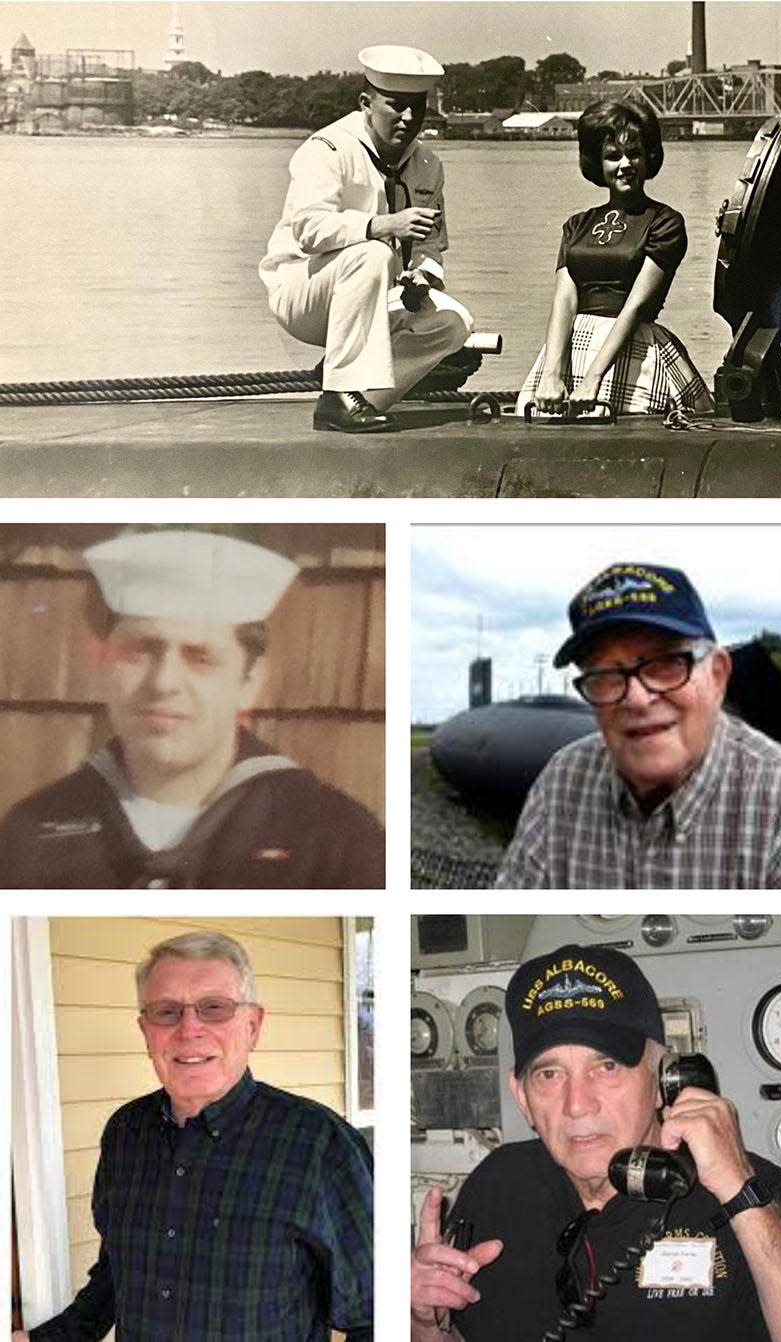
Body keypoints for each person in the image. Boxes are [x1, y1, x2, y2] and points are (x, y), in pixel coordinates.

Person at [410, 943, 781, 1342]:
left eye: (606, 1067)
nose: (577, 1105)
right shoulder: (497, 1184)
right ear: (522, 1097)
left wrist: (741, 1194)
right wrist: (424, 1324)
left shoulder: (755, 1196)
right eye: (549, 1075)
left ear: (663, 1078)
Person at [17, 931, 373, 1341]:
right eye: (167, 1012)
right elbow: (119, 1274)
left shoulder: (321, 1145)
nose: (189, 1029)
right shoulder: (125, 1134)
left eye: (214, 1008)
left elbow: (374, 1316)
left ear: (253, 1026)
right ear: (145, 1031)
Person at [0, 528, 385, 888]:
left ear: (249, 682)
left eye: (199, 657)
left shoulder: (338, 842)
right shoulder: (28, 836)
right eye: (140, 651)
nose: (163, 683)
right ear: (104, 667)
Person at [494, 562, 781, 888]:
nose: (637, 700)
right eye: (606, 674)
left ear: (718, 675)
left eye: (667, 663)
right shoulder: (562, 784)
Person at [260, 45, 472, 433]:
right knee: (371, 255)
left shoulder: (428, 165)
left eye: (418, 107)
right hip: (304, 291)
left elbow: (429, 246)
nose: (409, 119)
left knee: (454, 324)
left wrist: (424, 278)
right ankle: (342, 386)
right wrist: (382, 225)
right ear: (365, 103)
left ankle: (353, 397)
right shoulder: (327, 148)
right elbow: (308, 229)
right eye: (395, 105)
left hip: (374, 296)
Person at [517, 98, 714, 418]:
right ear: (598, 163)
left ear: (649, 158)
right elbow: (564, 302)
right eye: (613, 156)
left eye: (634, 154)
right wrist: (552, 374)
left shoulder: (665, 222)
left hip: (631, 346)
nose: (625, 164)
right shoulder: (577, 225)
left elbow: (635, 306)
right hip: (573, 346)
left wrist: (593, 378)